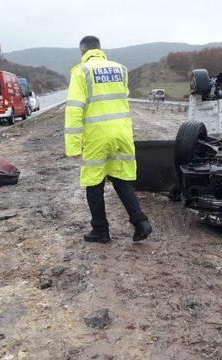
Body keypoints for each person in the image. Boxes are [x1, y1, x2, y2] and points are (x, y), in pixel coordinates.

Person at [64, 35, 152, 244]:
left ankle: (100, 230)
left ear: (83, 52)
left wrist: (73, 146)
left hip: (97, 136)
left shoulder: (81, 71)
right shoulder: (120, 69)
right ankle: (141, 222)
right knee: (120, 179)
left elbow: (74, 110)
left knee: (93, 183)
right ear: (100, 49)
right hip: (121, 133)